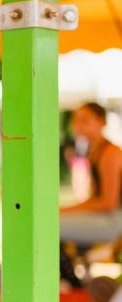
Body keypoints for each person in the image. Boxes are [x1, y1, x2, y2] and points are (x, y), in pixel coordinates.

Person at [60, 102, 122, 245]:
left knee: (50, 226)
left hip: (115, 220)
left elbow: (108, 204)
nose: (78, 125)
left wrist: (66, 211)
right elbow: (94, 198)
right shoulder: (95, 152)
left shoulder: (110, 153)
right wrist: (66, 209)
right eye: (76, 120)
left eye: (85, 120)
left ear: (102, 121)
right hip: (108, 217)